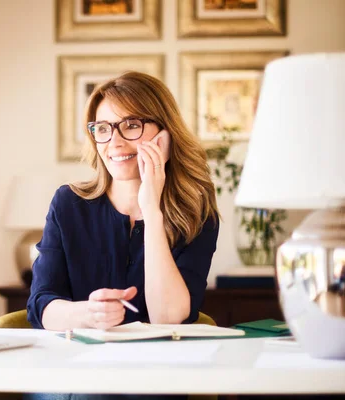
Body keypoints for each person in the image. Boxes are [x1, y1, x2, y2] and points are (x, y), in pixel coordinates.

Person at [25, 71, 220, 400]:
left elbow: (169, 318)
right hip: (75, 374)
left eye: (131, 125)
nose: (114, 142)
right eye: (103, 129)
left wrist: (151, 209)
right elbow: (41, 304)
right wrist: (88, 314)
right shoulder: (68, 204)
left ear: (165, 135)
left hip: (154, 382)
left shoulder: (196, 214)